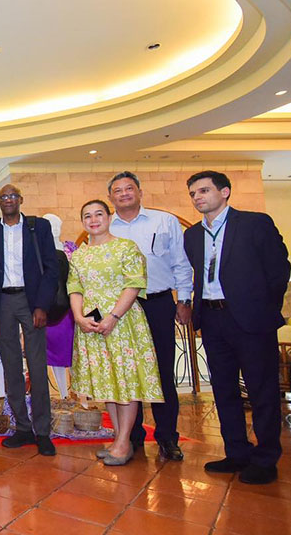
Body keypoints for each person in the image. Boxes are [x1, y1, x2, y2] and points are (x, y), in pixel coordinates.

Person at [184, 171, 290, 484]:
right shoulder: (193, 235)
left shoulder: (254, 223)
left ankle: (266, 458)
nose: (198, 197)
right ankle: (237, 452)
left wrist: (264, 308)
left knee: (261, 390)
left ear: (225, 192)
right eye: (193, 194)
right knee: (224, 389)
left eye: (204, 190)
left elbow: (278, 270)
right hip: (212, 319)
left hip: (251, 319)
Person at [68, 200, 163, 466]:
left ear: (109, 217)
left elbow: (134, 285)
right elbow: (74, 288)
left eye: (99, 214)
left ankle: (124, 441)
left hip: (122, 322)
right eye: (87, 216)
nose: (93, 220)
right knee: (107, 381)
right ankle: (119, 438)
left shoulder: (126, 247)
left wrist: (113, 316)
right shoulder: (79, 255)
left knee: (125, 379)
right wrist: (78, 317)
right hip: (92, 324)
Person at [108, 171, 193, 461]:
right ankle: (131, 437)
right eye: (118, 190)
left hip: (158, 303)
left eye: (129, 188)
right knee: (127, 372)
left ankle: (168, 437)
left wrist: (184, 299)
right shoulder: (106, 226)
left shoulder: (164, 221)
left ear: (139, 192)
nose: (124, 194)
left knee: (162, 371)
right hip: (122, 309)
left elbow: (181, 263)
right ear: (111, 197)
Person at [0, 185, 58, 456]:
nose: (8, 200)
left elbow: (51, 268)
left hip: (31, 300)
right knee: (11, 367)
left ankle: (43, 431)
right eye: (4, 197)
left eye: (13, 196)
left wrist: (42, 305)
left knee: (37, 366)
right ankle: (22, 428)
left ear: (21, 200)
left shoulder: (39, 227)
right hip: (2, 302)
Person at [42, 213, 74, 399]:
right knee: (54, 352)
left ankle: (80, 395)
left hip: (73, 307)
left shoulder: (71, 248)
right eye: (50, 224)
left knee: (75, 350)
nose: (54, 228)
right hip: (51, 308)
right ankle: (63, 394)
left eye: (57, 224)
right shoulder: (39, 252)